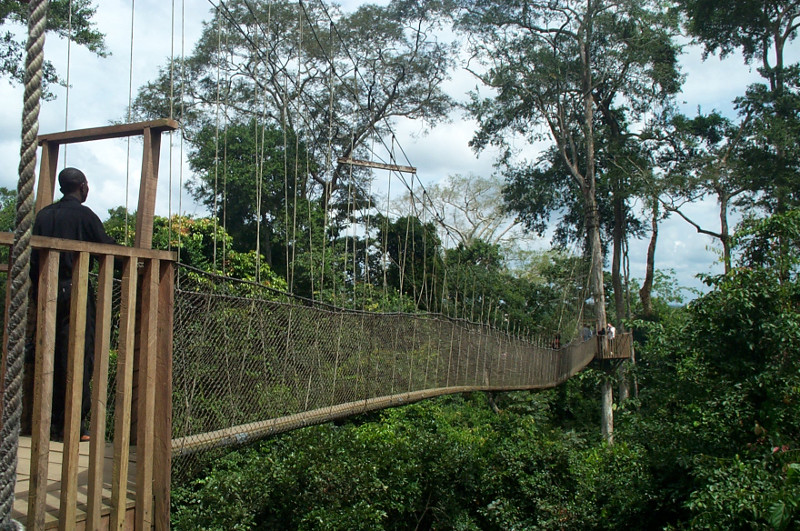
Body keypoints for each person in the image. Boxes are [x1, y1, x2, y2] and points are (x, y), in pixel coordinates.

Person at [31, 167, 116, 442]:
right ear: (82, 187)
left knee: (48, 355)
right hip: (75, 292)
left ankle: (48, 423)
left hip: (46, 292)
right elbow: (107, 247)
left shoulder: (44, 215)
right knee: (80, 357)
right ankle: (73, 425)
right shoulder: (85, 216)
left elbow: (33, 260)